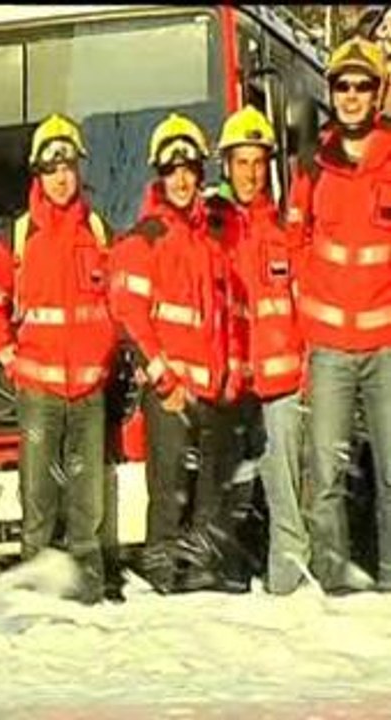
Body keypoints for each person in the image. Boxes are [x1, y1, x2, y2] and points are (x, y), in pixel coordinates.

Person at [0, 114, 118, 604]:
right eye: (52, 167)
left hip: (88, 393)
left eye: (69, 166)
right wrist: (8, 353)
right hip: (38, 391)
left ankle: (89, 590)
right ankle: (37, 588)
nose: (62, 177)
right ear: (37, 174)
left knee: (87, 500)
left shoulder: (99, 232)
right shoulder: (19, 236)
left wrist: (105, 357)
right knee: (37, 496)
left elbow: (117, 302)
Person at [108, 113, 245, 594]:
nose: (183, 179)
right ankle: (163, 579)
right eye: (173, 170)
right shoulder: (144, 238)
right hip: (171, 395)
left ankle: (202, 580)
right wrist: (163, 379)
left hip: (210, 391)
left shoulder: (209, 241)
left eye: (190, 169)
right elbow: (129, 313)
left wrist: (229, 373)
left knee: (207, 493)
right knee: (168, 494)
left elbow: (220, 315)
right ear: (159, 177)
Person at [288, 37, 391, 594]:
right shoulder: (312, 163)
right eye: (342, 86)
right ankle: (336, 588)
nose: (351, 96)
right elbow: (294, 238)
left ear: (380, 91)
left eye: (362, 85)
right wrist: (313, 305)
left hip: (388, 346)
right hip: (329, 348)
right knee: (324, 475)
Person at [213, 106, 310, 595]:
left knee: (286, 500)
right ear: (226, 166)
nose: (250, 172)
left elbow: (304, 306)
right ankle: (226, 596)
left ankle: (288, 592)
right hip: (229, 389)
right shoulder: (211, 232)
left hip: (280, 389)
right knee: (225, 499)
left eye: (258, 162)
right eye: (241, 161)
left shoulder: (284, 234)